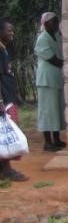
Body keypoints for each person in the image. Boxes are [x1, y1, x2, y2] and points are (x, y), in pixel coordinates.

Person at [0, 19, 28, 182]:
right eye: (9, 30)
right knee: (6, 134)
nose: (12, 33)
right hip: (4, 98)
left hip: (7, 96)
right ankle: (7, 169)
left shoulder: (3, 49)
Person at [35, 12, 66, 152]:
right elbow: (53, 59)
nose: (56, 24)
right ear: (46, 23)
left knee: (56, 110)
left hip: (56, 78)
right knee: (48, 111)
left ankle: (57, 139)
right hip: (46, 80)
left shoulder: (57, 36)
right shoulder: (42, 38)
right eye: (54, 22)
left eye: (57, 22)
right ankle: (47, 142)